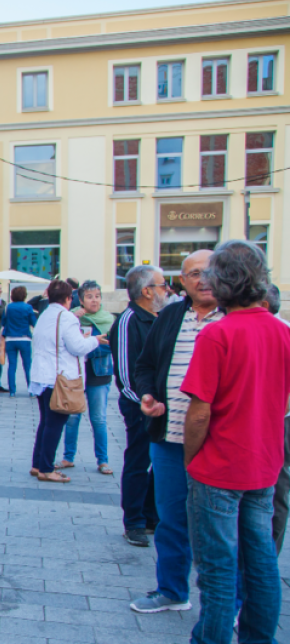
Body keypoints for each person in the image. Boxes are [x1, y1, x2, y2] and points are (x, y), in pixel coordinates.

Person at [179, 240, 290, 644]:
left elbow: (200, 411)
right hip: (263, 465)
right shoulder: (282, 332)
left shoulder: (218, 334)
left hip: (220, 466)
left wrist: (191, 459)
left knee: (217, 571)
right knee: (261, 564)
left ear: (221, 282)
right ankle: (259, 638)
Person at [127, 251, 216, 613]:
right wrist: (148, 394)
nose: (202, 279)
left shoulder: (235, 316)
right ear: (182, 281)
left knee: (220, 524)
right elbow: (145, 364)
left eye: (209, 271)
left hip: (218, 440)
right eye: (193, 273)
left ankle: (230, 603)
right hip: (169, 436)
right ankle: (173, 590)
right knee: (171, 518)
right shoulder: (171, 315)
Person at [109, 264, 166, 547]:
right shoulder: (128, 320)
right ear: (147, 291)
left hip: (162, 406)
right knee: (138, 462)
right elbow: (124, 374)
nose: (167, 290)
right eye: (163, 285)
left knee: (161, 462)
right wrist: (144, 402)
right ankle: (134, 521)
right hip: (139, 406)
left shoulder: (160, 318)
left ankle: (151, 515)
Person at [27, 279, 103, 484]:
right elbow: (78, 347)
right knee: (54, 424)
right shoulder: (67, 317)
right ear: (69, 298)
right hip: (58, 379)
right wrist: (95, 340)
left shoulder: (45, 314)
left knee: (46, 422)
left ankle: (38, 464)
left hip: (42, 376)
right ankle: (46, 469)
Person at [56, 280, 115, 475]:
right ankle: (68, 457)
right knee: (72, 417)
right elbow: (63, 341)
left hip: (100, 374)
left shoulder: (108, 320)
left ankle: (103, 460)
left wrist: (86, 347)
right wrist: (74, 319)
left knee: (98, 419)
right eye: (89, 297)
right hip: (76, 375)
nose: (94, 300)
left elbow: (111, 346)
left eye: (97, 296)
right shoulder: (73, 318)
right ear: (80, 300)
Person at [263, 285, 290, 554]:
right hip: (277, 420)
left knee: (276, 487)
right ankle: (269, 552)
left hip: (276, 422)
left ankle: (266, 555)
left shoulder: (280, 333)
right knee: (278, 488)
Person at [1, 286, 37, 398]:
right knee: (27, 365)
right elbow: (34, 323)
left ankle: (12, 391)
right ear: (24, 296)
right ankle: (31, 390)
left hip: (10, 339)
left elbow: (3, 322)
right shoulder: (28, 307)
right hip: (24, 338)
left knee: (12, 365)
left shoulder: (8, 307)